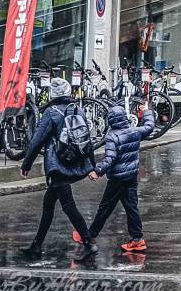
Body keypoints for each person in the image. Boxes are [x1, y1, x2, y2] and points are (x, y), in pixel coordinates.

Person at [19, 77, 96, 259]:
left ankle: (88, 243)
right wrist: (91, 165)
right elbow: (87, 139)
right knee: (48, 204)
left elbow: (37, 141)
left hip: (58, 165)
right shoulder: (78, 109)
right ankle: (36, 245)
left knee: (68, 206)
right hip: (74, 161)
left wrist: (26, 164)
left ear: (53, 94)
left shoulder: (51, 113)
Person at [74, 104, 156, 253]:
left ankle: (89, 235)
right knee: (132, 208)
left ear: (110, 121)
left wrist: (97, 171)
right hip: (131, 176)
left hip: (117, 179)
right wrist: (146, 112)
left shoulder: (112, 136)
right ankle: (137, 239)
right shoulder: (135, 131)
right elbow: (150, 126)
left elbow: (110, 158)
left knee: (104, 208)